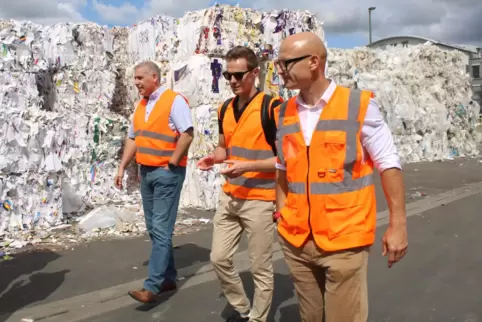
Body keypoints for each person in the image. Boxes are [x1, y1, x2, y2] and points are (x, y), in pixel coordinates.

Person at [273, 32, 408, 322]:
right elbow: (283, 170)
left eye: (285, 64)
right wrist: (281, 213)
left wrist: (398, 225)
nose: (280, 71)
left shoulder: (358, 106)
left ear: (313, 62)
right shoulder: (283, 112)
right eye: (278, 64)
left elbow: (388, 164)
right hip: (297, 243)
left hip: (344, 241)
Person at [197, 46, 282, 322]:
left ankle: (258, 318)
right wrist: (214, 157)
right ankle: (243, 308)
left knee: (260, 267)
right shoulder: (225, 108)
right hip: (231, 196)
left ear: (255, 73)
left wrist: (248, 166)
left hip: (260, 198)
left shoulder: (272, 107)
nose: (232, 81)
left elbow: (286, 159)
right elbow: (225, 147)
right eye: (228, 76)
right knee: (218, 259)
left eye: (238, 75)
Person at [114, 61, 194, 303]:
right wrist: (122, 167)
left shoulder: (174, 101)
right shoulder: (140, 106)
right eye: (135, 79)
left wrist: (172, 162)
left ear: (154, 77)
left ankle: (153, 285)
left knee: (160, 228)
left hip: (166, 174)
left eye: (140, 78)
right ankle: (168, 277)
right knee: (153, 227)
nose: (136, 82)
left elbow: (187, 133)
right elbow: (133, 139)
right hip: (146, 173)